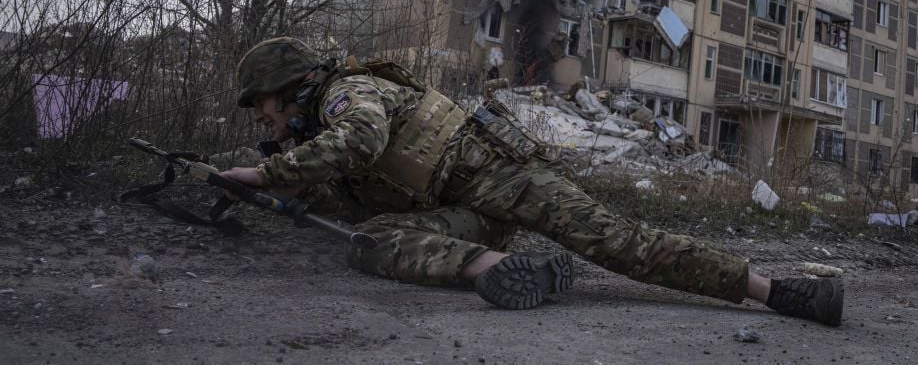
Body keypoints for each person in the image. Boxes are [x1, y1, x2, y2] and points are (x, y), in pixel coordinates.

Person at [219, 37, 844, 325]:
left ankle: (778, 291)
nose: (264, 117)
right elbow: (358, 193)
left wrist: (266, 170)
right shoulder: (314, 129)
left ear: (291, 87)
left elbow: (361, 138)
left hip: (506, 180)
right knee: (368, 240)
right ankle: (496, 269)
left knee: (620, 242)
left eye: (264, 104)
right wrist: (279, 187)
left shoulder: (344, 96)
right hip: (468, 219)